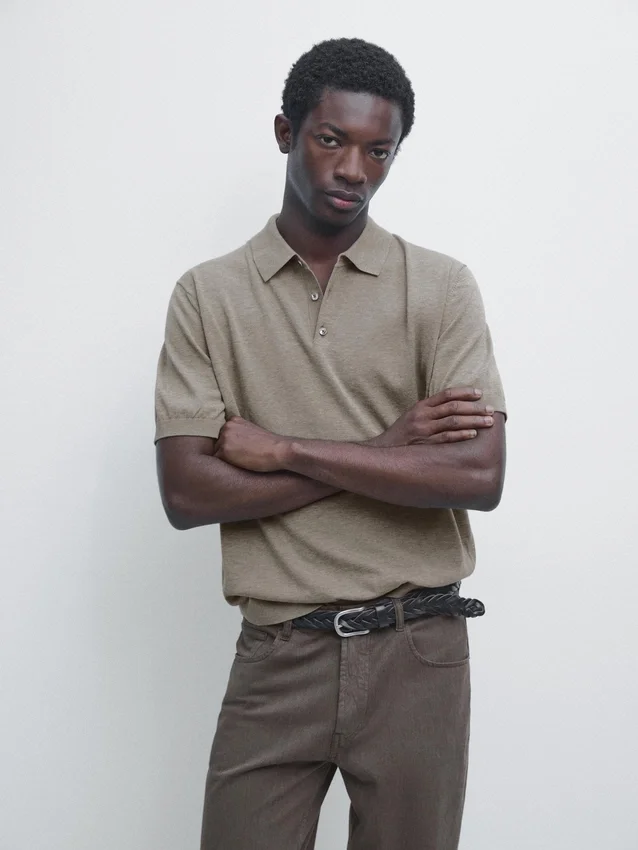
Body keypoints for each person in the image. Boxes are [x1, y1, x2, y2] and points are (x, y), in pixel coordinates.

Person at [154, 36, 507, 850]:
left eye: (379, 151)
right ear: (286, 132)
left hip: (418, 649)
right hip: (279, 655)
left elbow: (478, 475)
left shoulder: (441, 287)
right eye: (331, 139)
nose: (354, 169)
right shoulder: (207, 295)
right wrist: (390, 448)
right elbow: (187, 493)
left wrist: (286, 451)